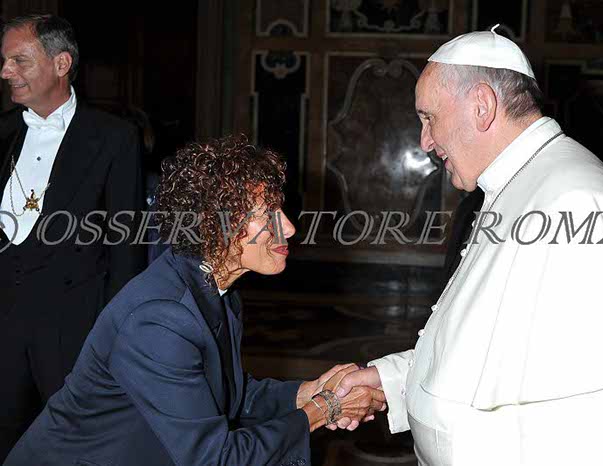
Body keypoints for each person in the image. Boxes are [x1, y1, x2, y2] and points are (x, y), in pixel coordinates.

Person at [333, 26, 603, 465]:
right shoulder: (519, 184)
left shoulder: (574, 201)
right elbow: (485, 351)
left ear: (481, 105)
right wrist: (390, 381)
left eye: (428, 118)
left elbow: (597, 427)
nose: (425, 142)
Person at [4, 134, 386, 466]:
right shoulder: (159, 320)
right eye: (267, 214)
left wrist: (311, 391)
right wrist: (324, 410)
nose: (288, 226)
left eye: (280, 209)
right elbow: (215, 458)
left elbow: (229, 396)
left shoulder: (214, 288)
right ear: (215, 226)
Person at [0, 14, 145, 459]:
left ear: (61, 64)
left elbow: (127, 248)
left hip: (73, 333)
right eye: (5, 61)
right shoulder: (2, 131)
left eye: (19, 61)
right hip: (3, 325)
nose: (5, 71)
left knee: (76, 450)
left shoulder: (115, 138)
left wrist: (115, 337)